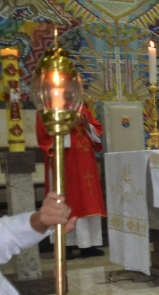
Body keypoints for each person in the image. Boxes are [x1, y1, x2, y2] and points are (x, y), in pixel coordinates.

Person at [35, 103, 107, 258]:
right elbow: (44, 135)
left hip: (85, 159)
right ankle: (64, 245)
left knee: (87, 201)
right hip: (63, 159)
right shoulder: (47, 108)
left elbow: (96, 130)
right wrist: (68, 126)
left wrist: (86, 125)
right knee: (67, 199)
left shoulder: (80, 106)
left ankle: (88, 244)